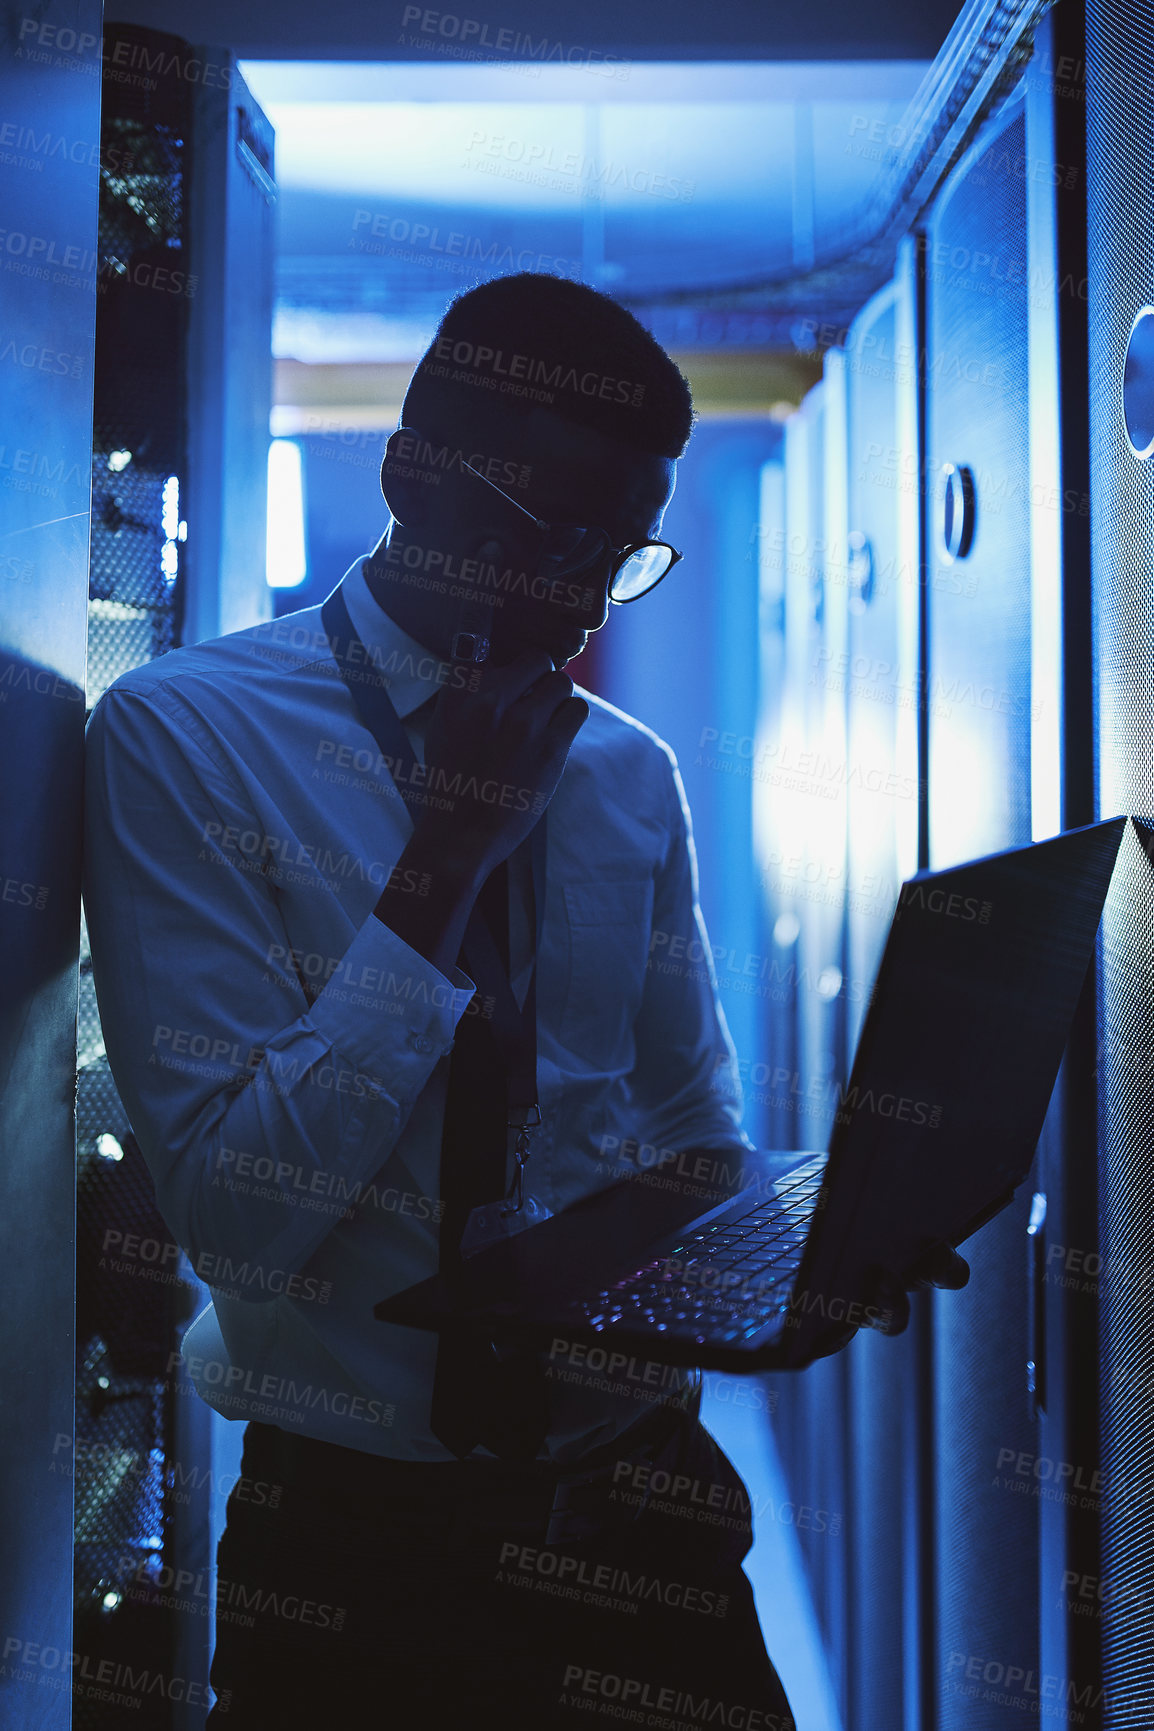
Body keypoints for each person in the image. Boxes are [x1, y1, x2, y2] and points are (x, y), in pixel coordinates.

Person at [83, 272, 965, 1728]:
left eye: (614, 553)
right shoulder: (184, 735)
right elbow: (237, 1222)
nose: (569, 594)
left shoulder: (624, 771)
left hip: (649, 1504)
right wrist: (438, 864)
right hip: (363, 1558)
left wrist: (802, 1255)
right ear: (407, 473)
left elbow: (688, 1129)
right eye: (539, 532)